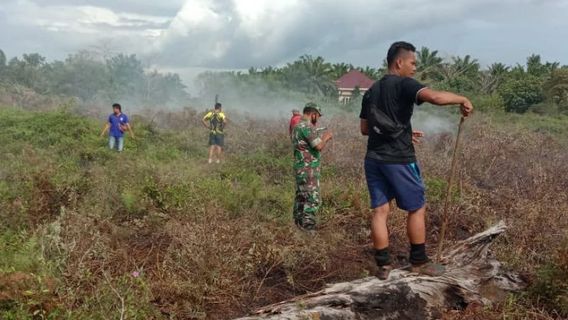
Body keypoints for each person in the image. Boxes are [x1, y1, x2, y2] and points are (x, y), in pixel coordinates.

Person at [360, 41, 473, 279]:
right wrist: (462, 98)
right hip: (398, 160)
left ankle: (382, 266)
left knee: (380, 211)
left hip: (373, 159)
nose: (414, 68)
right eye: (412, 63)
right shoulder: (404, 84)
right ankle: (419, 261)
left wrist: (403, 133)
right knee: (417, 207)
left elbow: (365, 128)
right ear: (399, 62)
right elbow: (435, 97)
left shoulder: (372, 90)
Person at [291, 102, 333, 231]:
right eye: (318, 116)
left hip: (301, 168)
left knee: (301, 197)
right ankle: (308, 229)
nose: (318, 118)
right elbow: (318, 146)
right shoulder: (306, 127)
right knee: (311, 199)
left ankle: (298, 226)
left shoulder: (297, 126)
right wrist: (326, 137)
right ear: (313, 114)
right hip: (309, 169)